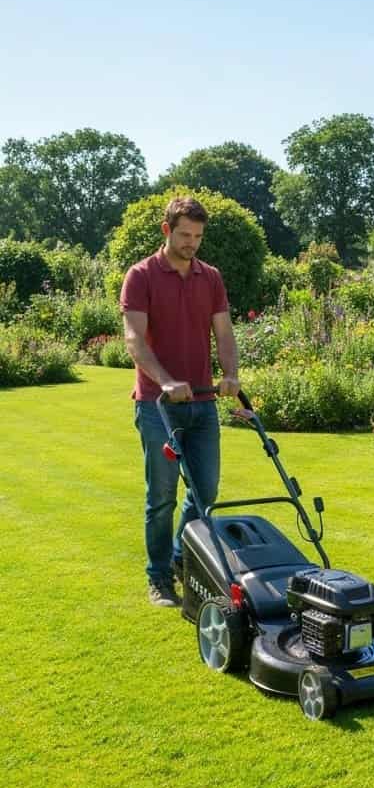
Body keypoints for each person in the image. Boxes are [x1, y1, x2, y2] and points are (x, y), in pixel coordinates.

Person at [120, 196, 241, 607]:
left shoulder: (211, 277)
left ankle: (178, 559)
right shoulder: (141, 276)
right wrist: (167, 381)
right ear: (166, 229)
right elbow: (134, 339)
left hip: (203, 403)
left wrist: (230, 374)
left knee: (205, 492)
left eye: (198, 237)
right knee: (163, 496)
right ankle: (158, 578)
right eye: (185, 234)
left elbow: (224, 333)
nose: (192, 243)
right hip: (158, 405)